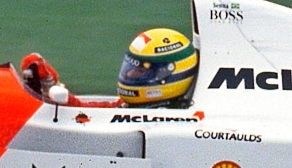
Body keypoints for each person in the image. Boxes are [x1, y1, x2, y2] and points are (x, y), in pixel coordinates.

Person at [20, 28, 198, 108]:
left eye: (141, 70)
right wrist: (49, 90)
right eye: (131, 66)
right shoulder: (133, 107)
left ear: (166, 75)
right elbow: (94, 110)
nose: (130, 73)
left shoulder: (168, 120)